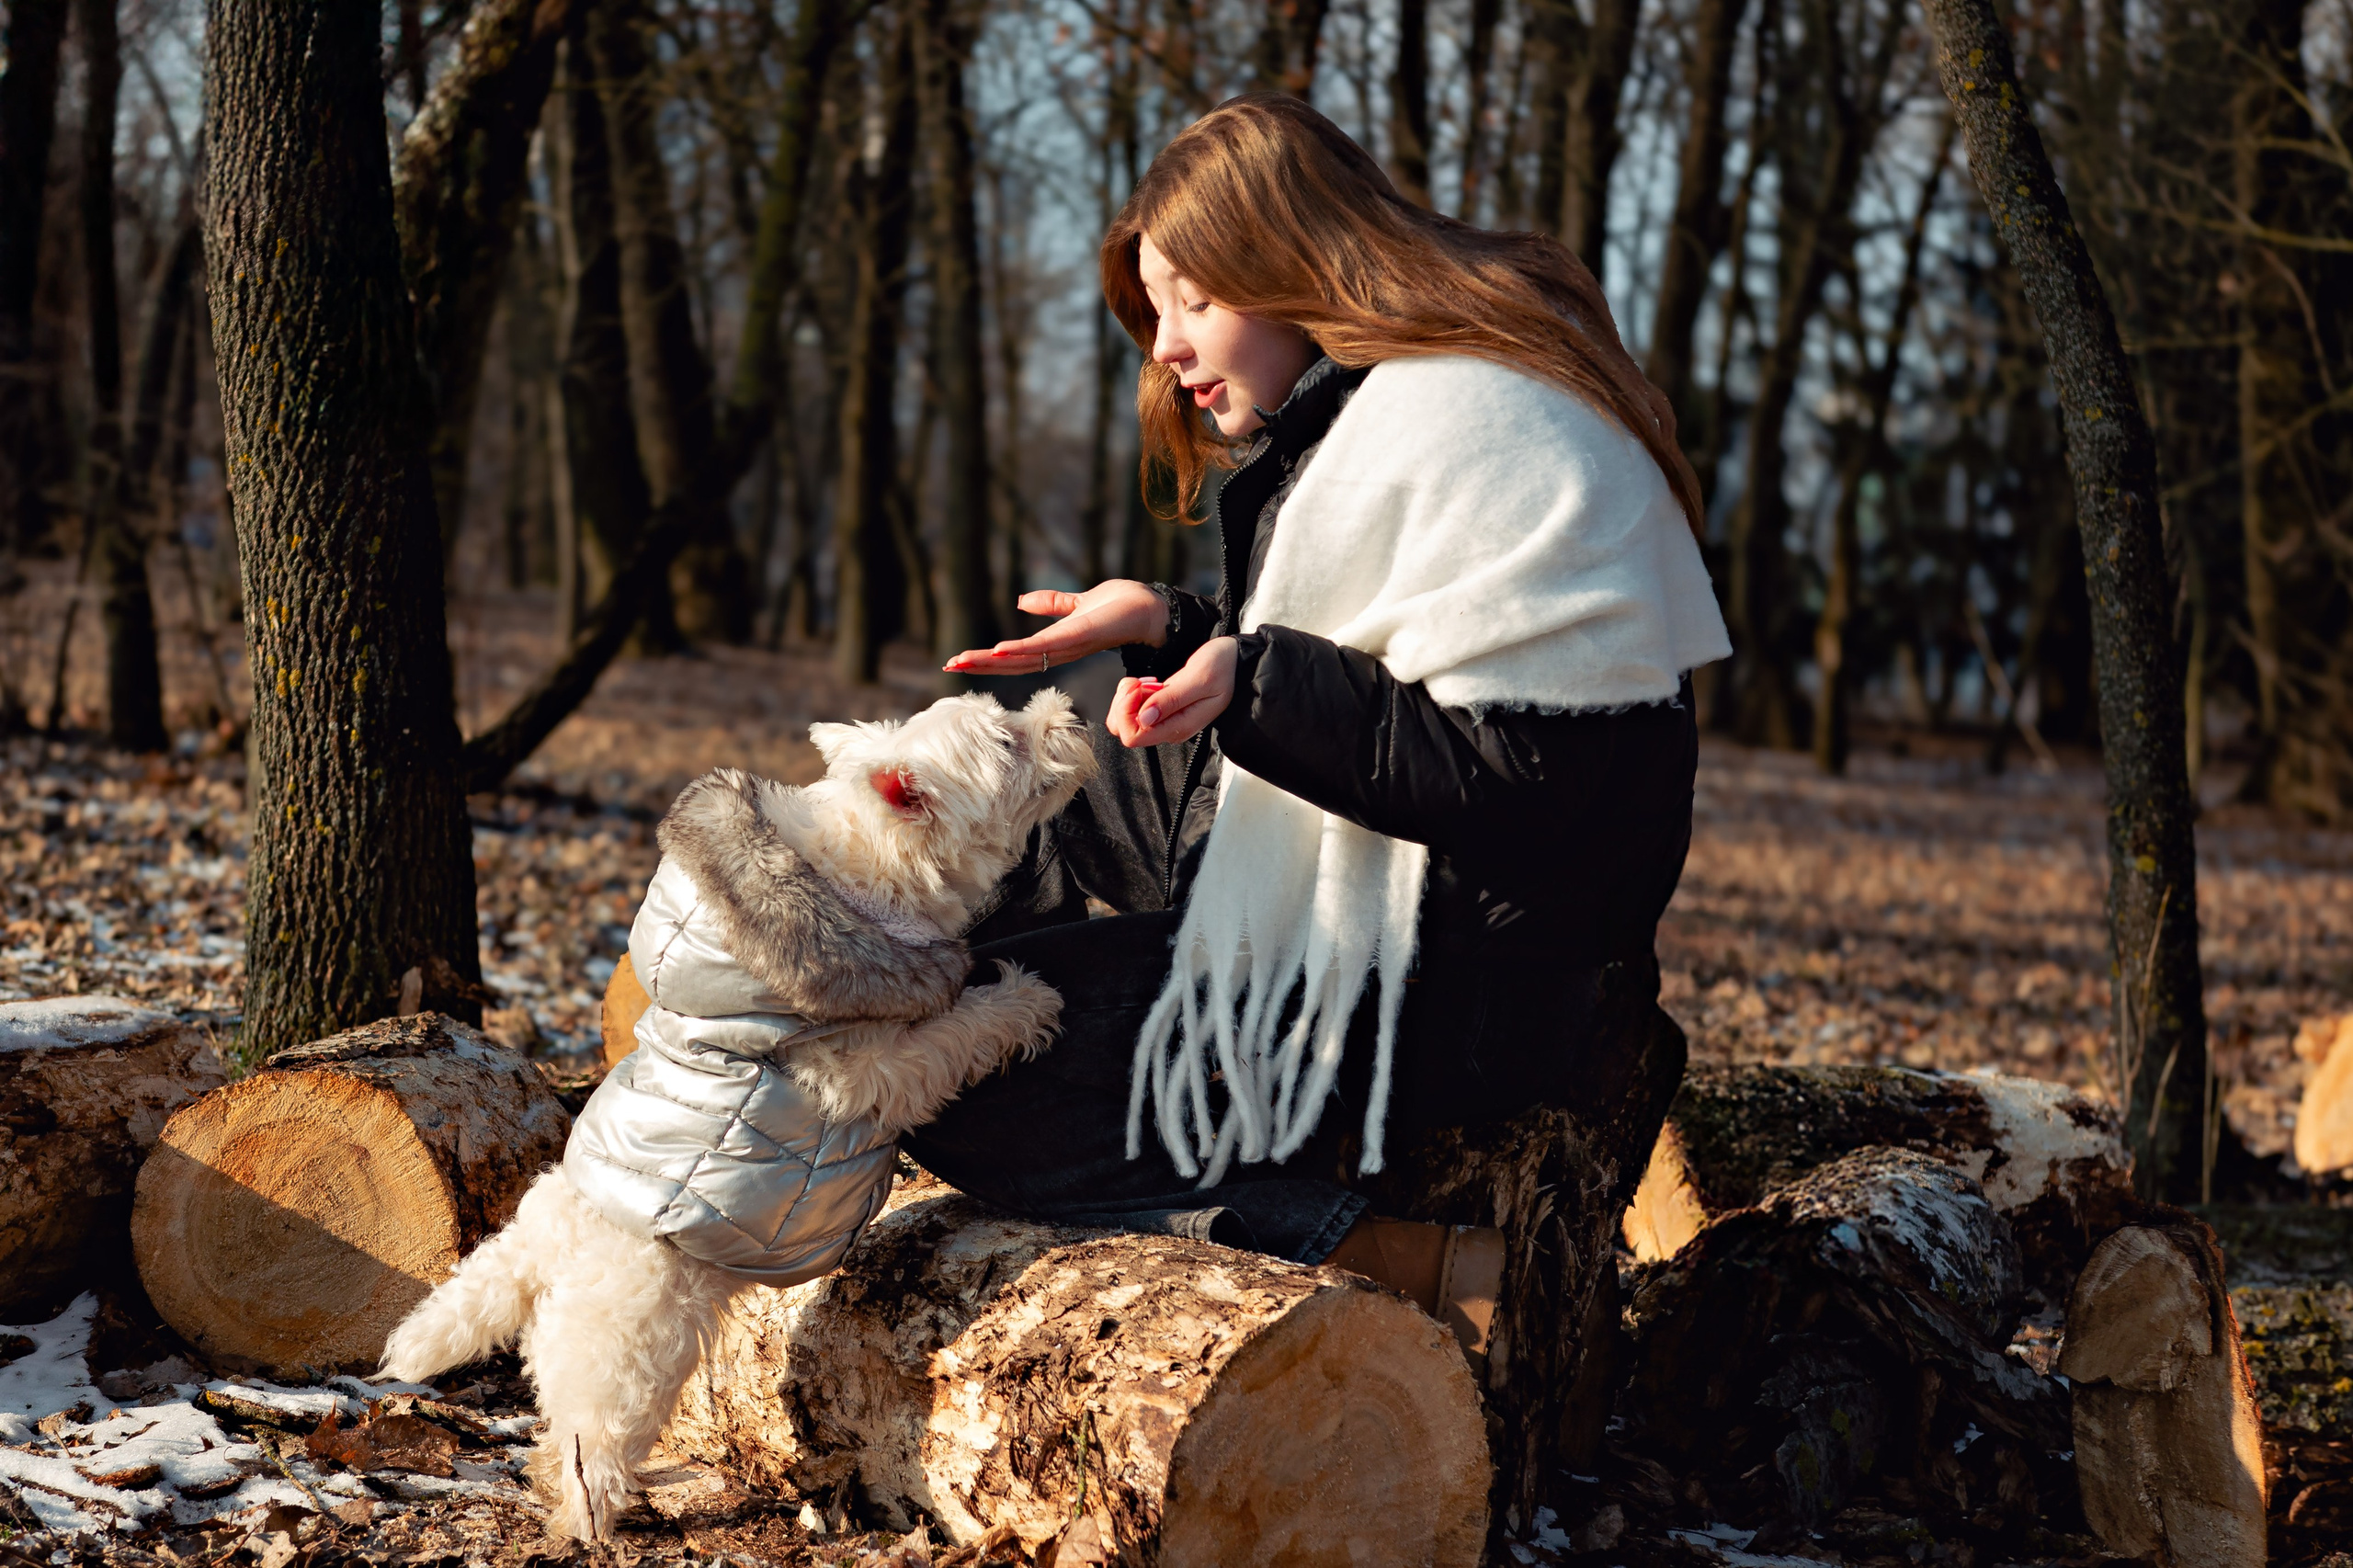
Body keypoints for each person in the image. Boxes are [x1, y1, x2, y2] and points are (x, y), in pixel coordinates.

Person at [910, 94, 1730, 1324]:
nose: (1170, 350)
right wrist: (1178, 630)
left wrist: (1253, 678)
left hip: (1458, 991)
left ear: (1291, 261)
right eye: (1156, 314)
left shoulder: (1487, 425)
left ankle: (1360, 1245)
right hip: (1384, 919)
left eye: (1195, 301)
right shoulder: (1366, 422)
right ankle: (849, 960)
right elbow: (1383, 659)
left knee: (942, 1079)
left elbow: (1536, 779)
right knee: (1061, 772)